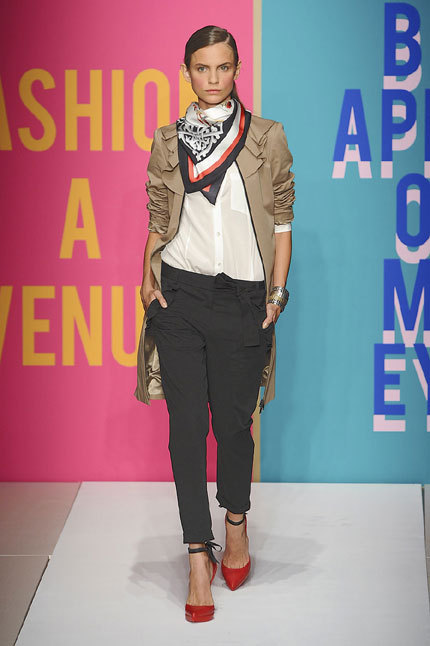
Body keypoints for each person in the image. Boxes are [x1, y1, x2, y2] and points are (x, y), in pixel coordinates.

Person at [134, 25, 295, 622]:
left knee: (232, 426)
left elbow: (282, 219)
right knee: (184, 429)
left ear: (237, 69)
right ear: (187, 72)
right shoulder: (168, 140)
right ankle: (197, 555)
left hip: (245, 299)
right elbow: (158, 216)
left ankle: (235, 521)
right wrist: (146, 278)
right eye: (201, 68)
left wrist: (277, 292)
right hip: (181, 295)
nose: (212, 78)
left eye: (223, 67)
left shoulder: (265, 137)